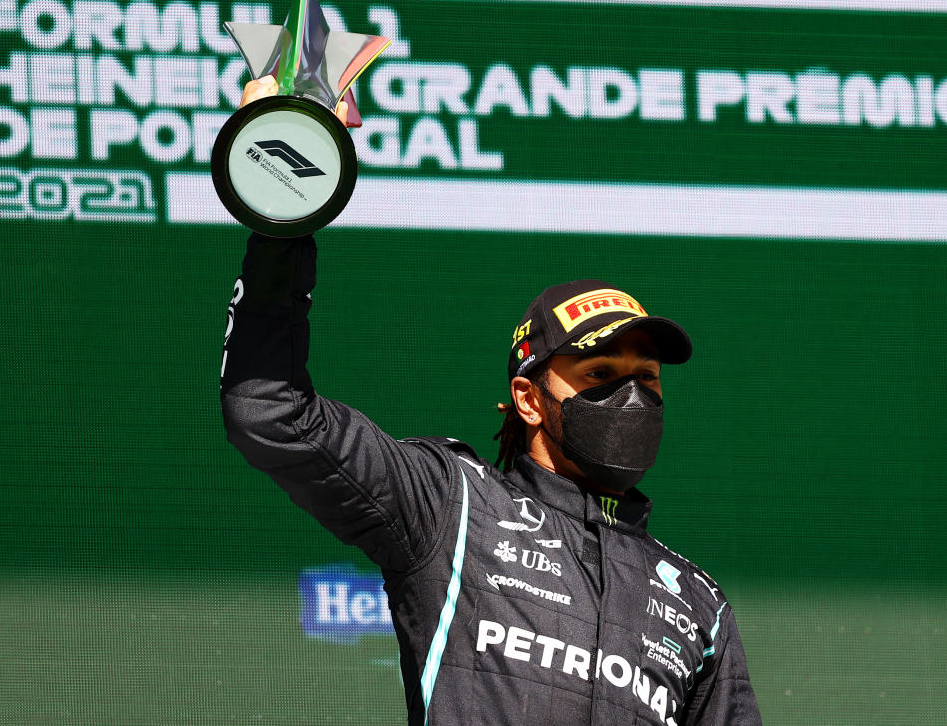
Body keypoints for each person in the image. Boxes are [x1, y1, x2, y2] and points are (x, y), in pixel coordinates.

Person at [220, 79, 762, 725]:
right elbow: (271, 413)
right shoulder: (452, 507)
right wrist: (286, 225)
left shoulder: (698, 603)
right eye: (600, 374)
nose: (632, 396)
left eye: (647, 378)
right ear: (529, 400)